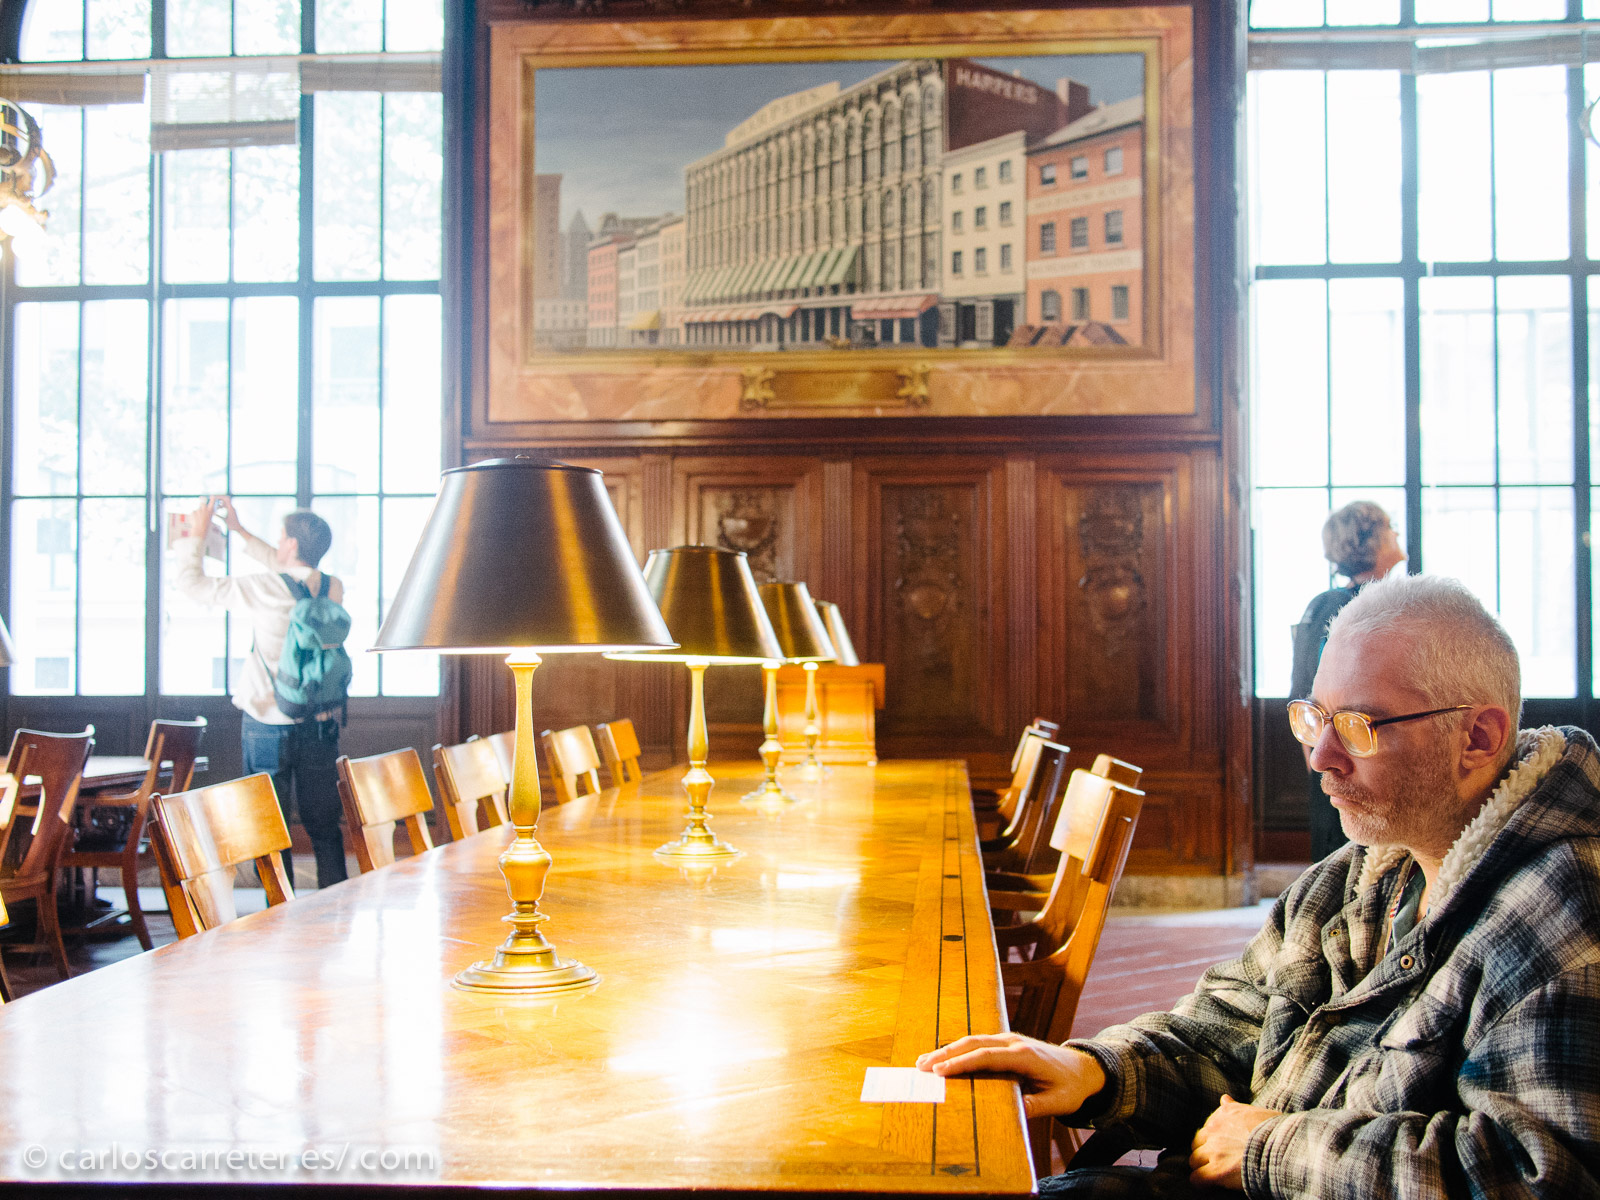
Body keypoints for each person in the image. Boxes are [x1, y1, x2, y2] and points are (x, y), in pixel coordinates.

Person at [921, 573, 1600, 1198]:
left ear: (1479, 737)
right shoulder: (1357, 871)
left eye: (1359, 727)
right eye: (1315, 718)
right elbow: (1234, 1022)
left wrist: (1272, 1148)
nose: (1320, 758)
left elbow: (1536, 1174)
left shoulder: (1566, 912)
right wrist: (1097, 1070)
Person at [172, 497, 349, 889]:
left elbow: (192, 585)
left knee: (271, 824)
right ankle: (339, 905)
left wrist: (196, 537)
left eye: (280, 537)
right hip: (320, 722)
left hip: (268, 721)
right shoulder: (332, 588)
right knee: (324, 824)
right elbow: (291, 572)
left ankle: (279, 915)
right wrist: (240, 532)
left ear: (288, 544)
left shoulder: (265, 587)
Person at [1290, 500, 1405, 860]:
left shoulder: (1333, 602)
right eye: (1389, 526)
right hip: (1355, 750)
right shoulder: (1351, 605)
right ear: (1369, 540)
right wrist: (1321, 764)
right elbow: (1308, 692)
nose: (1397, 533)